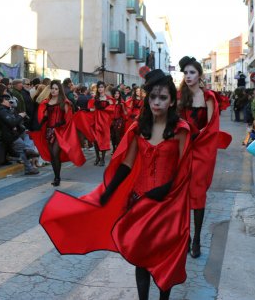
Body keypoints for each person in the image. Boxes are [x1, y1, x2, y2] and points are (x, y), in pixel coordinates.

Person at [40, 70, 191, 299]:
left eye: (162, 97)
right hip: (138, 202)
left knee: (163, 258)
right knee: (141, 257)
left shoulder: (180, 130)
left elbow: (183, 172)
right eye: (153, 97)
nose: (157, 102)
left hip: (167, 205)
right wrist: (108, 192)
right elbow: (127, 165)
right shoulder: (140, 128)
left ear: (172, 101)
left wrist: (162, 193)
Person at [177, 56, 232, 259]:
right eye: (186, 73)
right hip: (183, 150)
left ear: (199, 74)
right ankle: (186, 237)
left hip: (200, 151)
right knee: (181, 195)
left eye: (192, 72)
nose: (188, 76)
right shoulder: (179, 96)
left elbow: (210, 128)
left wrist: (195, 137)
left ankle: (197, 238)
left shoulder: (208, 97)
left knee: (198, 194)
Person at [30, 80, 85, 186]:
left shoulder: (64, 102)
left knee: (55, 153)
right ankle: (56, 176)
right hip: (49, 131)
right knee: (52, 156)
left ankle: (57, 178)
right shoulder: (47, 102)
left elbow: (68, 118)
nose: (54, 90)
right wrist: (44, 119)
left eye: (56, 89)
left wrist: (60, 123)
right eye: (52, 88)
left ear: (59, 90)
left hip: (60, 132)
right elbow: (44, 116)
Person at [0, 92, 39, 175]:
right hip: (9, 136)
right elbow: (12, 122)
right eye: (9, 101)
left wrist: (19, 115)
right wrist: (20, 116)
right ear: (3, 101)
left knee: (28, 135)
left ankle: (28, 150)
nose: (10, 102)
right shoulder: (2, 111)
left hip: (15, 133)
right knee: (22, 148)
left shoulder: (8, 110)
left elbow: (16, 121)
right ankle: (29, 167)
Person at [110, 88, 127, 154]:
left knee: (117, 135)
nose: (117, 95)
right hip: (111, 121)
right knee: (112, 136)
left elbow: (125, 113)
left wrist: (123, 107)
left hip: (119, 120)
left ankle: (118, 149)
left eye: (118, 93)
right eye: (115, 93)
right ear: (113, 94)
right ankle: (114, 148)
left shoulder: (122, 102)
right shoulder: (111, 101)